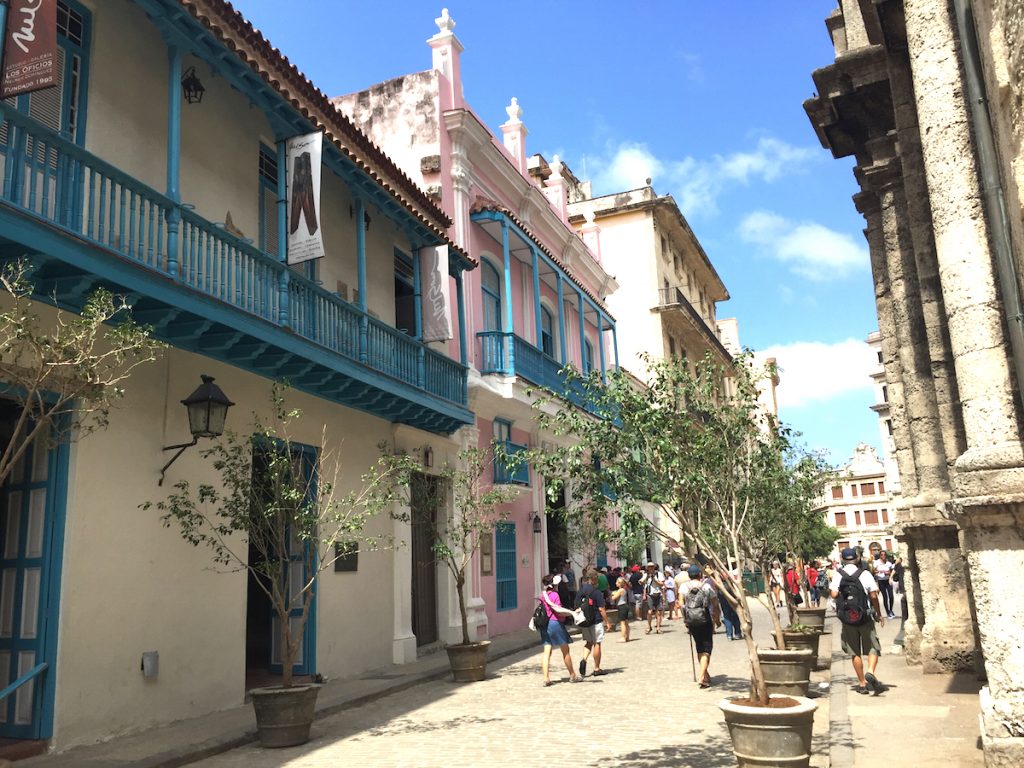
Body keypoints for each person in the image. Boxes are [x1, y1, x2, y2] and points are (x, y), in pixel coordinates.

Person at [830, 547, 887, 695]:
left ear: (842, 559)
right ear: (857, 558)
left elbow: (834, 593)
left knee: (855, 652)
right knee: (873, 648)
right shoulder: (865, 574)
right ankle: (870, 672)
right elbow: (873, 596)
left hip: (848, 619)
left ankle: (862, 684)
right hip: (865, 617)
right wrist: (878, 614)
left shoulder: (838, 574)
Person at [682, 563, 721, 687]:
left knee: (699, 647)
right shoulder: (706, 586)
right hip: (705, 618)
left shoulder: (684, 587)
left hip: (691, 620)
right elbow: (715, 604)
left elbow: (681, 604)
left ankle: (705, 675)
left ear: (689, 575)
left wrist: (685, 619)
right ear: (700, 574)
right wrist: (717, 619)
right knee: (707, 648)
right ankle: (701, 676)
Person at [538, 574, 581, 686]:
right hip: (555, 623)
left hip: (545, 624)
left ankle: (546, 678)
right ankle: (572, 675)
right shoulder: (555, 595)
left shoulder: (543, 595)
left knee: (547, 651)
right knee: (565, 651)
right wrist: (571, 613)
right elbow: (558, 610)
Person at [576, 568, 609, 677]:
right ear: (594, 578)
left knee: (588, 642)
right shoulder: (596, 592)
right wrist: (607, 622)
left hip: (584, 621)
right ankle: (596, 668)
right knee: (597, 643)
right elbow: (601, 609)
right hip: (595, 620)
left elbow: (576, 605)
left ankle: (584, 659)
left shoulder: (581, 590)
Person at [642, 562, 665, 634]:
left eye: (652, 566)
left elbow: (662, 584)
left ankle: (658, 627)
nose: (651, 568)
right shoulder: (646, 575)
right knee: (650, 611)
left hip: (658, 594)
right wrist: (644, 594)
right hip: (650, 594)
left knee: (658, 612)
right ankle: (649, 626)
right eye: (649, 567)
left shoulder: (659, 574)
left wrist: (655, 579)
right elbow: (643, 584)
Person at [874, 551, 896, 618]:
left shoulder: (888, 563)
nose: (883, 556)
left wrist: (888, 573)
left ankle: (891, 610)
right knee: (885, 597)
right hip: (881, 580)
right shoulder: (876, 562)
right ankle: (887, 612)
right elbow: (874, 571)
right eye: (882, 555)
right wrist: (880, 571)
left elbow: (891, 571)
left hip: (887, 580)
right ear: (880, 556)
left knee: (891, 596)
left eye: (884, 555)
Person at [610, 575, 632, 642]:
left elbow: (613, 598)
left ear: (620, 583)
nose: (615, 583)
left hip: (621, 606)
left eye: (617, 582)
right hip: (625, 605)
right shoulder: (624, 589)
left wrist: (611, 595)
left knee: (622, 622)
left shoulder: (620, 590)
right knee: (626, 622)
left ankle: (623, 637)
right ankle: (627, 636)